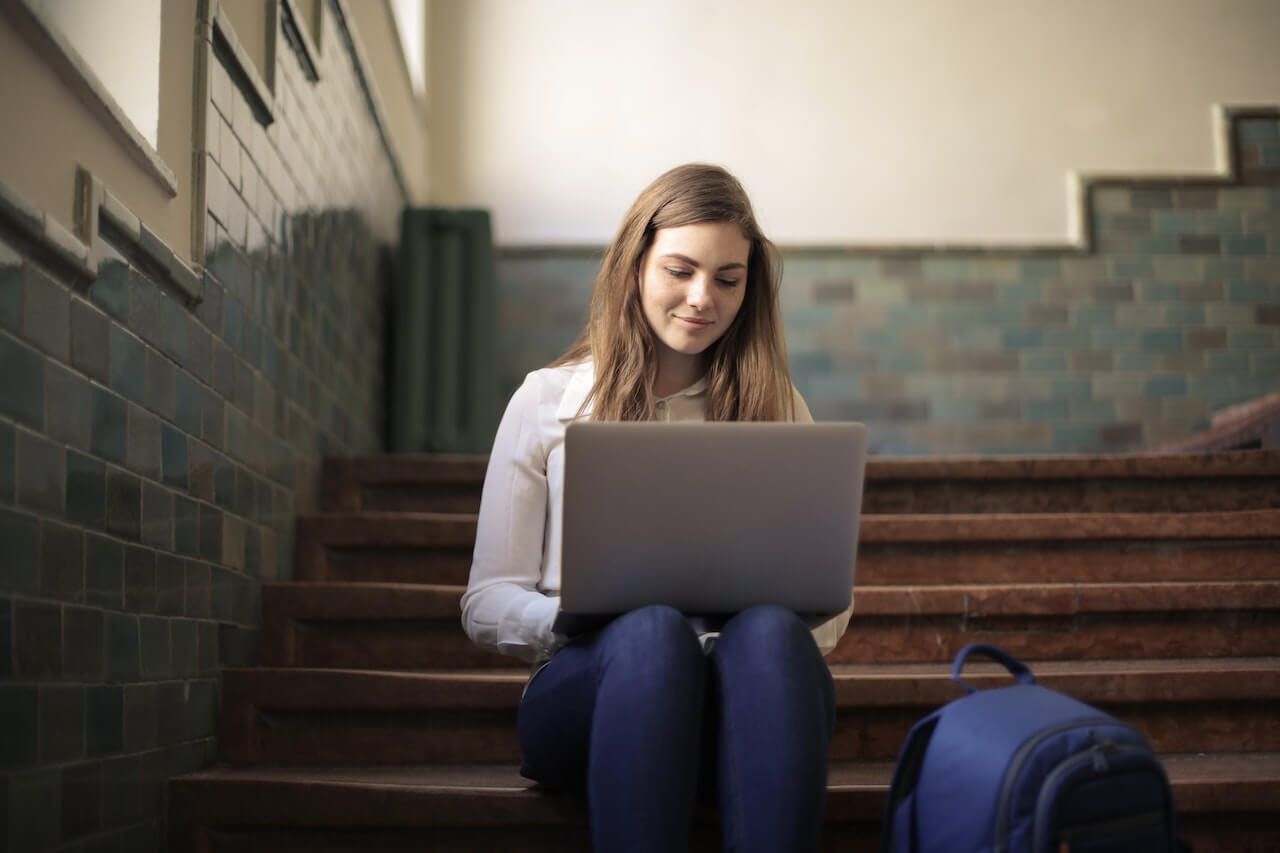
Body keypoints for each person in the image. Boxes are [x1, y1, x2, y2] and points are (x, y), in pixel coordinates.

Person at [460, 163, 853, 852]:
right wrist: (571, 620)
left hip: (746, 708)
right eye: (680, 269)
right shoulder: (547, 400)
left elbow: (828, 610)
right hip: (594, 697)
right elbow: (486, 599)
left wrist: (736, 637)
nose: (703, 297)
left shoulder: (779, 410)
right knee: (651, 634)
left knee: (766, 635)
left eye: (728, 279)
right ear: (634, 264)